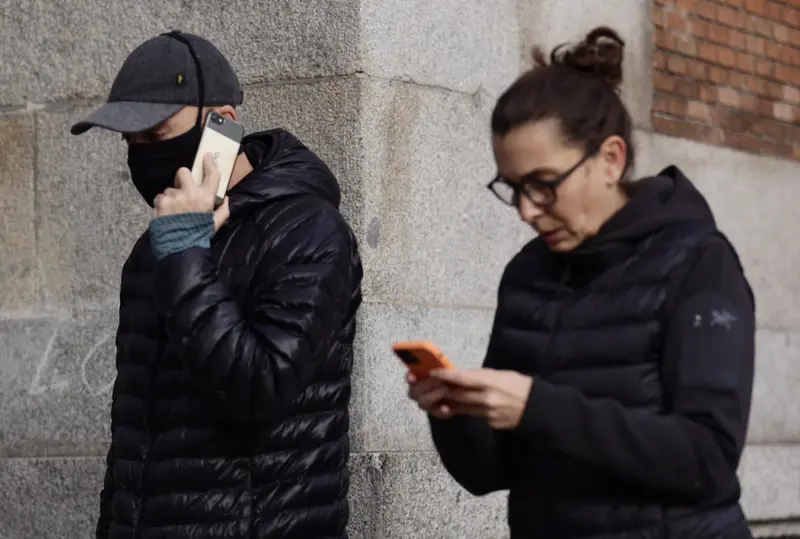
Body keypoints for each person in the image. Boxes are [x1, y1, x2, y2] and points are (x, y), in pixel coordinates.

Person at [407, 27, 755, 539]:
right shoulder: (527, 274)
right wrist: (455, 415)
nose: (527, 211)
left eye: (544, 185)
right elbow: (490, 474)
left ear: (611, 159)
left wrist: (536, 407)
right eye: (514, 188)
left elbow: (706, 458)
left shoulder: (699, 264)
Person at [71, 31, 363, 539]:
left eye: (157, 135)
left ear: (221, 123)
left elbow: (261, 391)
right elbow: (132, 441)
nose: (143, 156)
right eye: (130, 142)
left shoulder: (308, 232)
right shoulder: (154, 249)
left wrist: (185, 252)